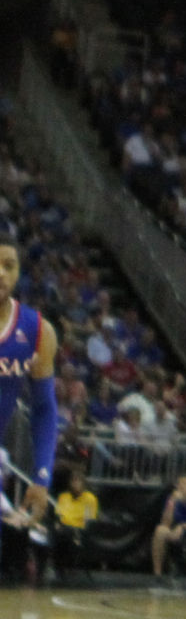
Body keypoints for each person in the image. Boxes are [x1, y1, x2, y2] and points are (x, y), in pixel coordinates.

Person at [0, 234, 62, 547]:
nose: (0, 273)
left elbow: (44, 409)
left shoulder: (37, 330)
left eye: (8, 265)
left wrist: (41, 476)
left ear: (19, 272)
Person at [52, 469, 98, 579]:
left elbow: (89, 519)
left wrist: (79, 529)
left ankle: (71, 567)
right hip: (64, 527)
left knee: (70, 536)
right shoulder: (64, 497)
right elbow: (59, 515)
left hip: (79, 528)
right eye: (73, 481)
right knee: (56, 534)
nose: (75, 484)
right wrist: (57, 524)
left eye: (78, 481)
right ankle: (58, 568)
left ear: (83, 483)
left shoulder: (90, 499)